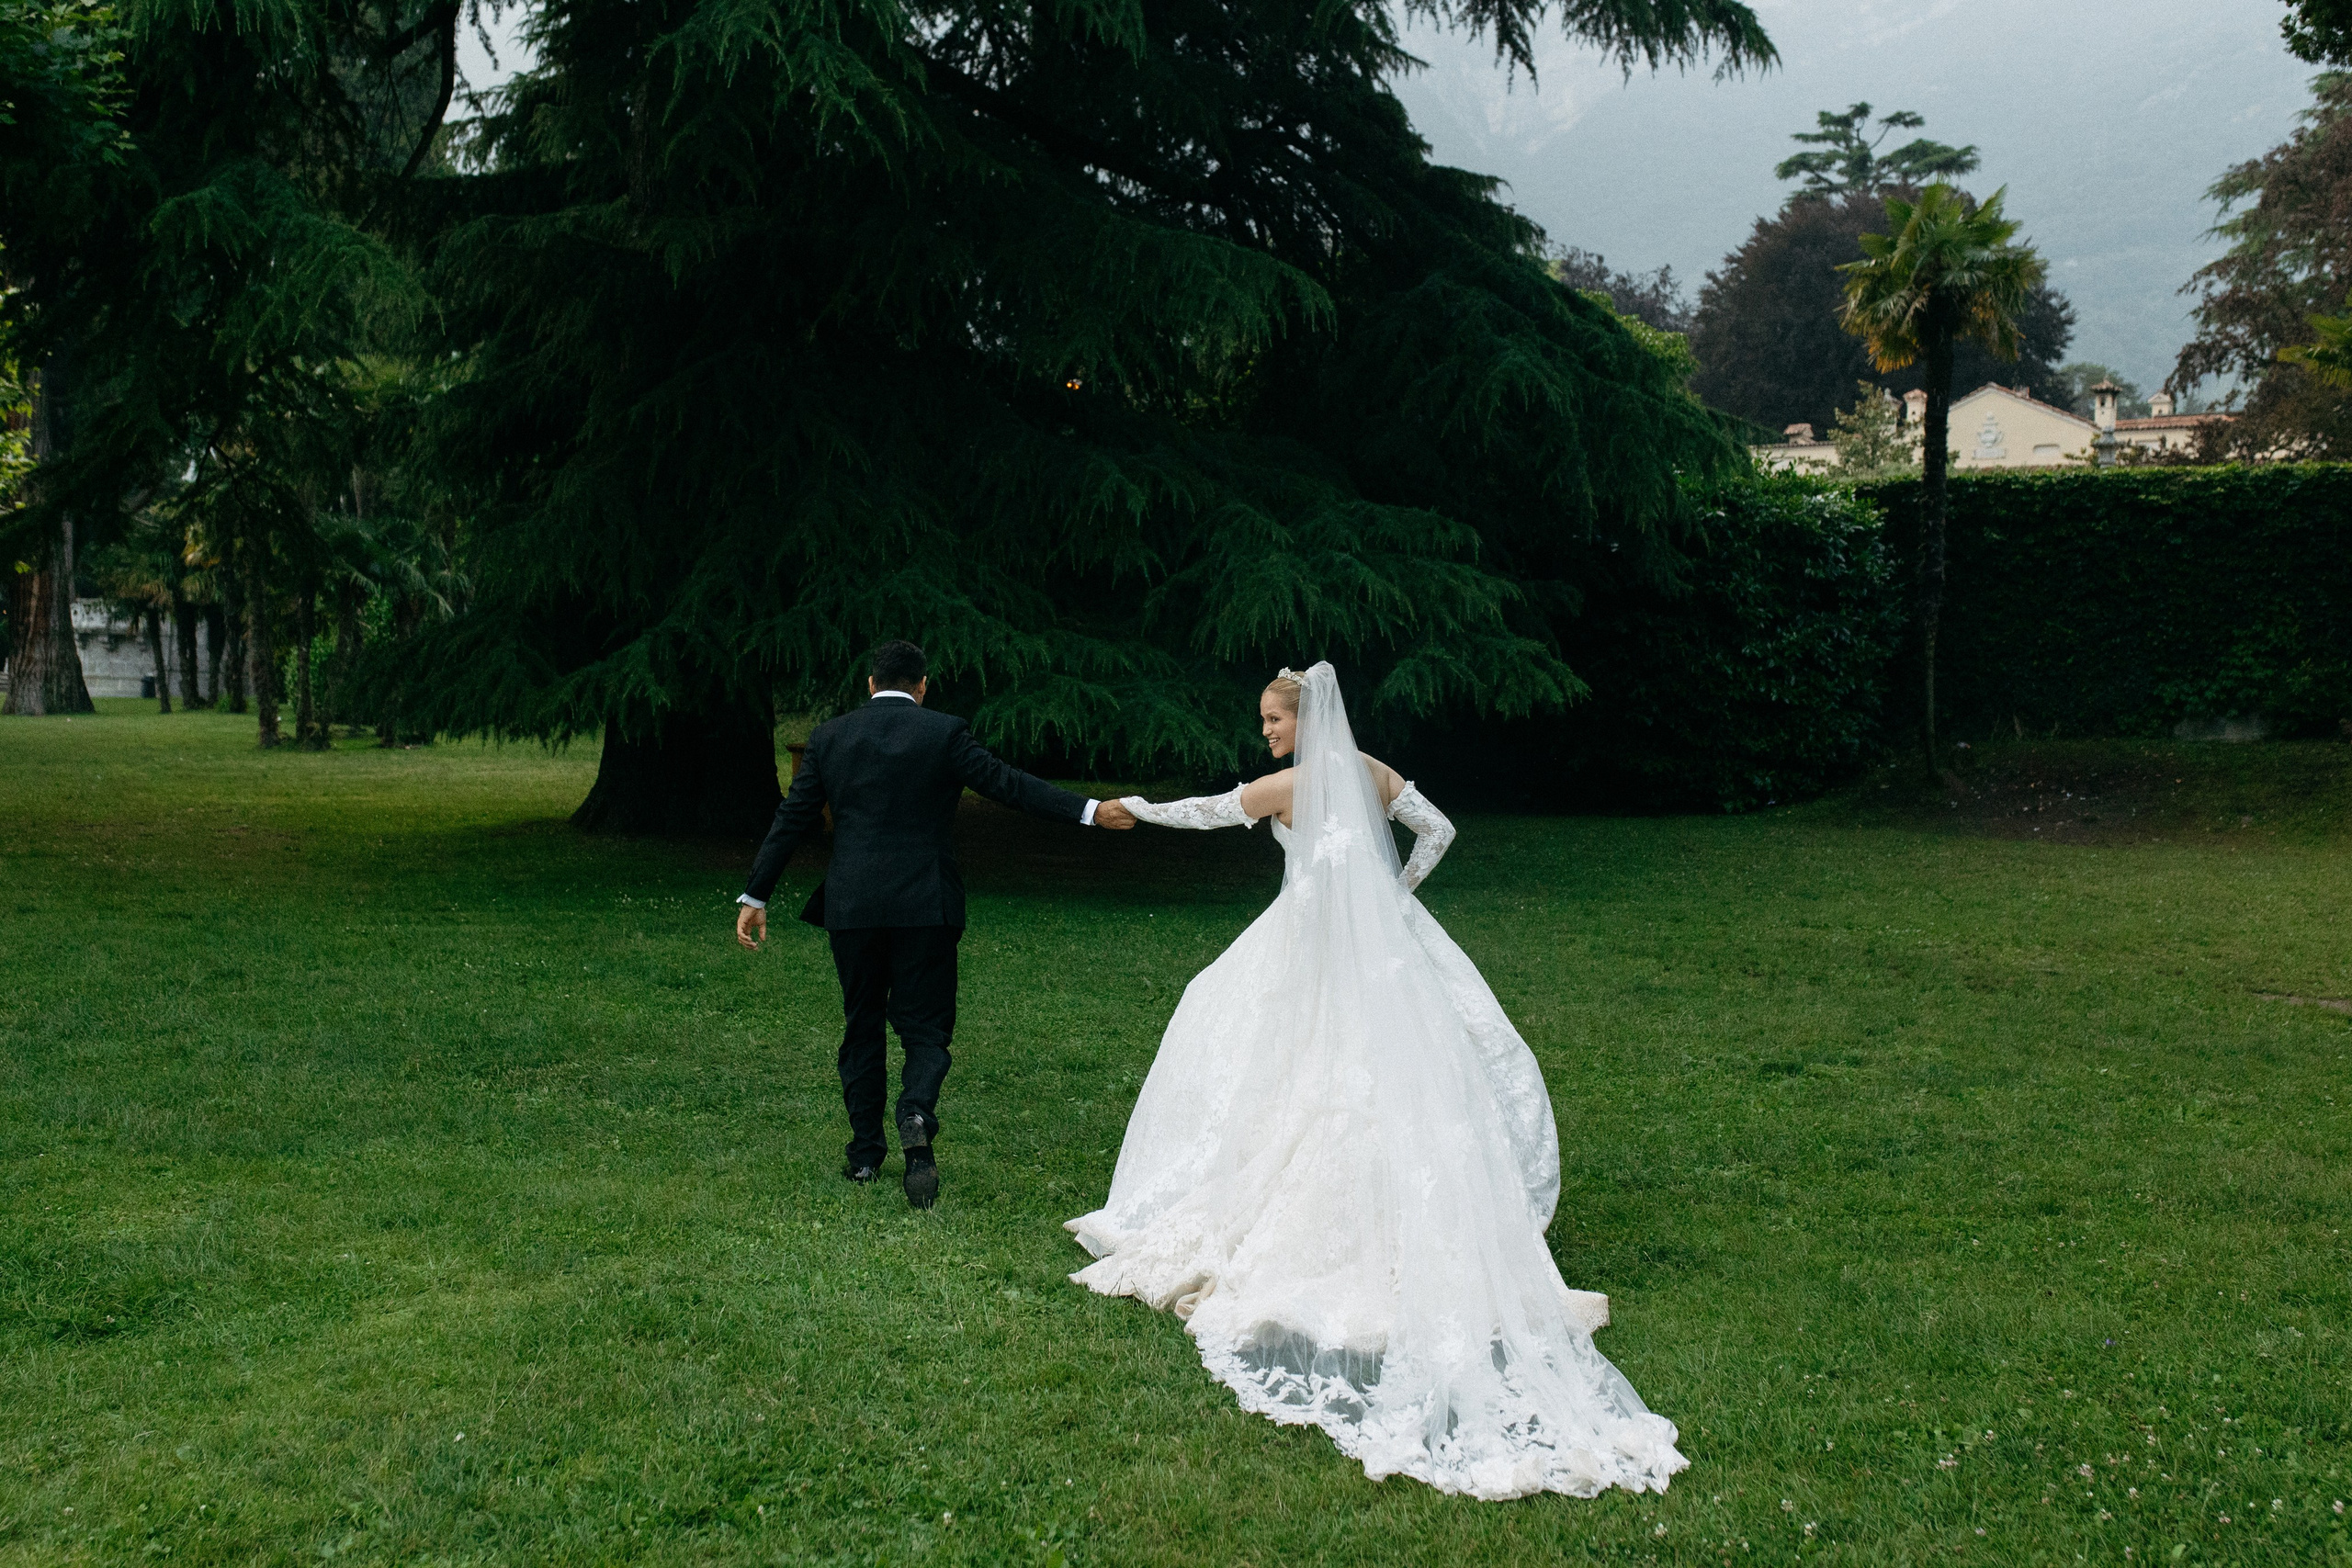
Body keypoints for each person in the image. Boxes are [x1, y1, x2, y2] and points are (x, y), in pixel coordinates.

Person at [1065, 662, 1685, 1501]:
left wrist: (1131, 809)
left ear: (1301, 719)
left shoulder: (1288, 784)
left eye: (1272, 721)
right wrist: (1392, 894)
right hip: (1386, 952)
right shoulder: (1375, 773)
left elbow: (1205, 813)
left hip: (1310, 950)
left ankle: (1320, 1229)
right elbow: (1440, 831)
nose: (1267, 734)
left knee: (1281, 1062)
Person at [735, 639, 1136, 1208]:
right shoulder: (943, 732)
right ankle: (916, 1112)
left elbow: (793, 815)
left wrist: (757, 893)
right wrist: (1090, 810)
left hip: (852, 907)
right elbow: (1008, 784)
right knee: (925, 1028)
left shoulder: (830, 737)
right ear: (922, 686)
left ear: (871, 684)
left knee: (862, 1023)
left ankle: (865, 1158)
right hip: (926, 904)